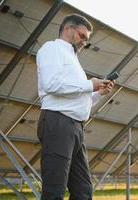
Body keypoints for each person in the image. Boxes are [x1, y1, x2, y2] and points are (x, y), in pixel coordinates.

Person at [36, 13, 115, 200]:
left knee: (83, 190)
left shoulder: (73, 60)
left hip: (75, 127)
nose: (84, 42)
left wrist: (97, 93)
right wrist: (89, 84)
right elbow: (51, 85)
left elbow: (77, 99)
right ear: (68, 29)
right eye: (82, 36)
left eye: (86, 40)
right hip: (58, 122)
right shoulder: (52, 48)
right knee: (55, 189)